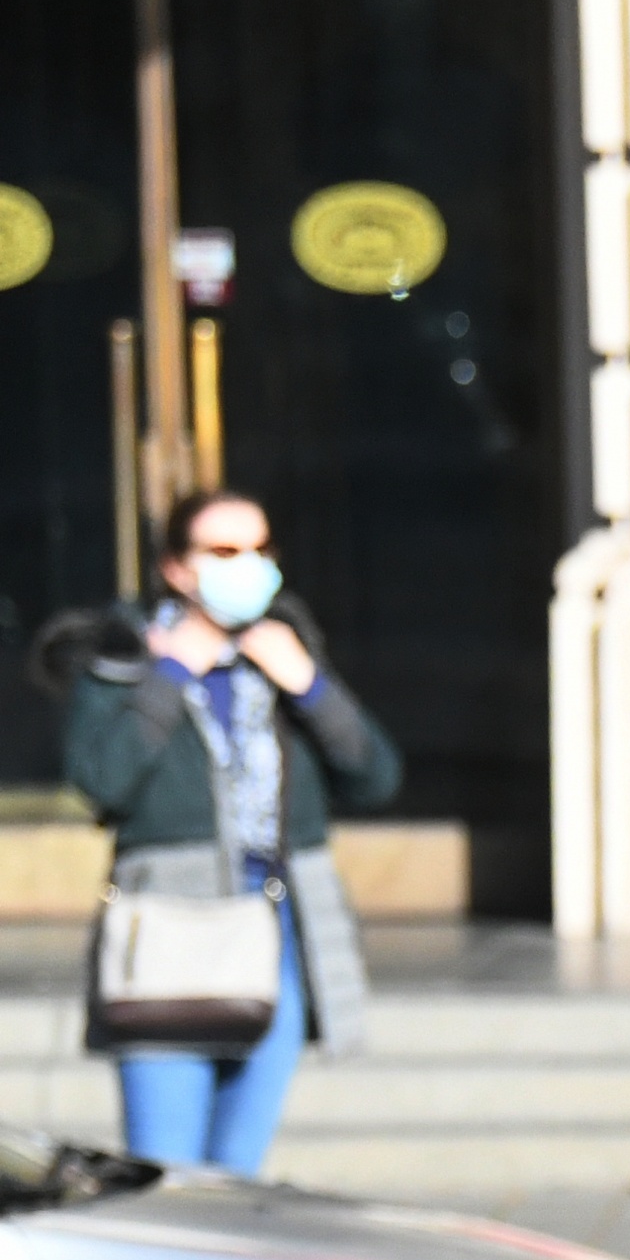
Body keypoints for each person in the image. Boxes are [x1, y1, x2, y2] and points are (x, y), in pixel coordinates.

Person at [57, 486, 394, 1173]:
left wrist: (310, 686)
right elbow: (103, 782)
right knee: (165, 1173)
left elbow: (376, 778)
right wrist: (173, 672)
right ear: (177, 569)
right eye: (224, 551)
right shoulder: (126, 661)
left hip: (277, 929)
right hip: (170, 929)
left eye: (259, 549)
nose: (248, 566)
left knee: (237, 1173)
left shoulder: (283, 656)